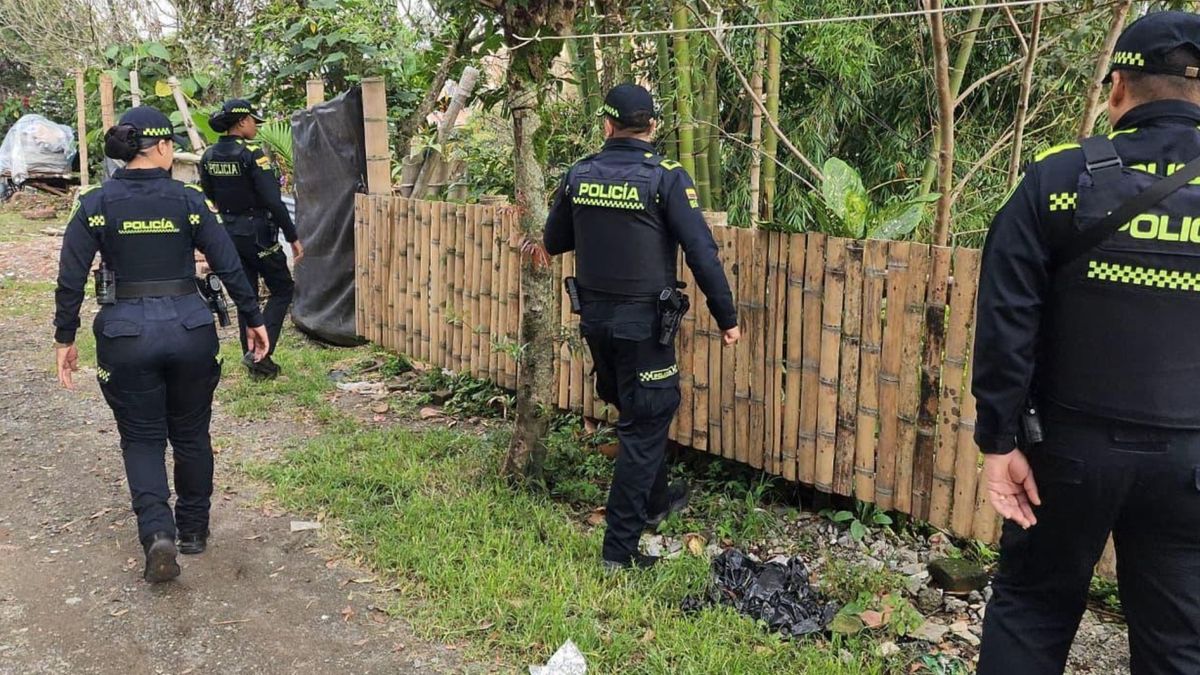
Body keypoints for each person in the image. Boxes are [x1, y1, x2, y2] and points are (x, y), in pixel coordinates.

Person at [973, 11, 1200, 674]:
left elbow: (1007, 318)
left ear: (1119, 87)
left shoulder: (1057, 178)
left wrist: (999, 441)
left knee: (1031, 610)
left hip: (1066, 454)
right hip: (1190, 464)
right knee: (1181, 641)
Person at [54, 107, 269, 583]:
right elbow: (228, 262)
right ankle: (193, 530)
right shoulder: (189, 200)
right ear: (165, 147)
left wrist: (64, 337)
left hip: (125, 334)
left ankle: (157, 534)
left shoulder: (94, 202)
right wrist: (253, 318)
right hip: (190, 329)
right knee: (191, 433)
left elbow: (70, 277)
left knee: (141, 438)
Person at [543, 84, 740, 571]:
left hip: (595, 321)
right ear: (652, 126)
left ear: (607, 125)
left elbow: (554, 239)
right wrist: (727, 317)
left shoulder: (580, 174)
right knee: (647, 419)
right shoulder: (666, 177)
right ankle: (619, 552)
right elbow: (701, 252)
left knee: (635, 411)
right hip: (644, 328)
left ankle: (656, 501)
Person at [200, 98, 303, 380]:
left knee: (247, 295)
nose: (256, 127)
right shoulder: (252, 155)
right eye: (253, 122)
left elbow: (209, 195)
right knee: (283, 288)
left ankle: (252, 355)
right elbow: (273, 200)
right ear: (242, 121)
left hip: (228, 232)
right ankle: (261, 353)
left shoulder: (209, 156)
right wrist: (292, 237)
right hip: (257, 232)